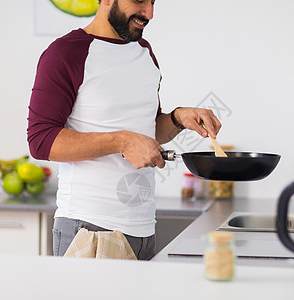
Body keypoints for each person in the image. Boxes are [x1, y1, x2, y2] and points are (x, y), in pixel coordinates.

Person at [27, 0, 221, 260]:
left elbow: (146, 131)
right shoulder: (65, 53)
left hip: (143, 229)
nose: (149, 13)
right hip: (90, 229)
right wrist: (121, 141)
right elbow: (41, 141)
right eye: (140, 1)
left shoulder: (145, 53)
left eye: (153, 3)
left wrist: (177, 118)